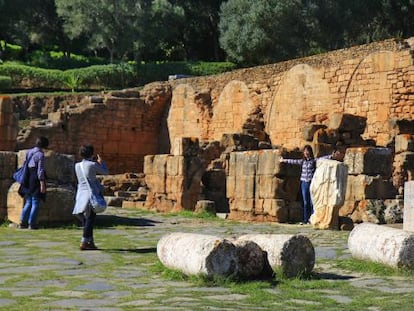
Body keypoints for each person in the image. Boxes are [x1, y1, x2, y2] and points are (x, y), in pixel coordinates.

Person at [280, 144, 335, 225]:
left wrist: (331, 156)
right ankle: (305, 219)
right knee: (305, 202)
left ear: (310, 152)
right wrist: (284, 160)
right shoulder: (302, 161)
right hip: (304, 183)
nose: (306, 152)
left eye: (307, 151)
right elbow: (293, 161)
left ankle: (313, 219)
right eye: (305, 151)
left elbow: (322, 159)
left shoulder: (313, 161)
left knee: (312, 202)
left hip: (311, 183)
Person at [73, 144, 108, 250]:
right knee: (90, 219)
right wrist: (101, 162)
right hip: (91, 194)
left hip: (81, 194)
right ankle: (84, 241)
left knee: (88, 219)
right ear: (91, 153)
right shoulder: (92, 165)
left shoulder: (77, 165)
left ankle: (90, 241)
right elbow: (105, 172)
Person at [18, 136, 49, 230]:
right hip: (35, 179)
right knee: (35, 201)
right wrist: (42, 183)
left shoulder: (29, 152)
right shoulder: (40, 155)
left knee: (28, 201)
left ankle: (23, 223)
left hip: (28, 178)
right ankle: (32, 223)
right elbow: (40, 170)